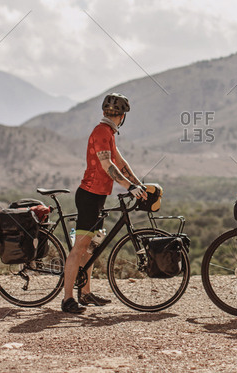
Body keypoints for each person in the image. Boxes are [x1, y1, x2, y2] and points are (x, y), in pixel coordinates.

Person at [61, 93, 147, 314]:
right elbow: (107, 163)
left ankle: (86, 293)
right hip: (89, 197)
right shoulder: (101, 132)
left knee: (91, 248)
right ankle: (68, 299)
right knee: (79, 248)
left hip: (98, 197)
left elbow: (120, 161)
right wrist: (129, 187)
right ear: (122, 116)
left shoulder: (108, 132)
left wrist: (139, 184)